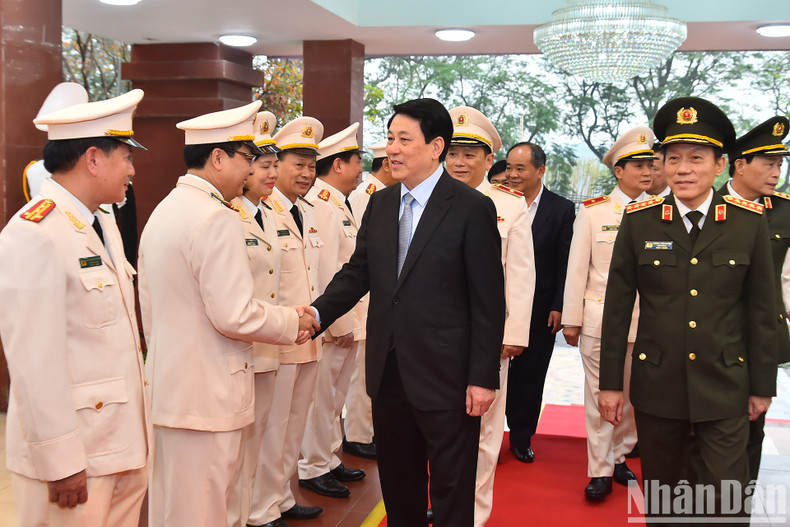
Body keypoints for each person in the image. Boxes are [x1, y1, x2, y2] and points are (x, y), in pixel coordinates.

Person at [311, 98, 505, 526]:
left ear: (436, 146)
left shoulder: (472, 208)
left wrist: (482, 377)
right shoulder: (380, 205)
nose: (392, 149)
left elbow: (489, 300)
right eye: (390, 138)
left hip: (449, 377)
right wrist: (315, 314)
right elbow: (357, 272)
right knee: (399, 485)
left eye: (404, 139)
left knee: (453, 488)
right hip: (389, 371)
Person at [138, 101, 317, 527]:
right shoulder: (215, 217)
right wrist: (293, 321)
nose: (252, 169)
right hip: (209, 393)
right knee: (206, 509)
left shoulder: (168, 208)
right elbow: (234, 315)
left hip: (174, 389)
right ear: (218, 158)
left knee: (177, 508)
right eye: (247, 159)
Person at [599, 97, 777, 524]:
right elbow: (618, 305)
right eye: (672, 158)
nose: (682, 169)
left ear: (720, 165)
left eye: (696, 158)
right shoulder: (640, 220)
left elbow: (761, 308)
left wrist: (762, 385)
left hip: (726, 385)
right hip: (658, 386)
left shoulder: (748, 221)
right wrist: (610, 384)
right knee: (665, 501)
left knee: (725, 500)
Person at [0, 87, 149, 527]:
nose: (133, 169)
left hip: (118, 444)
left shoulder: (102, 222)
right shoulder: (35, 233)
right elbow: (33, 362)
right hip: (75, 458)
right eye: (125, 156)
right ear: (93, 159)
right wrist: (61, 461)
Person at [445, 106, 535, 526]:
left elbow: (520, 276)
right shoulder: (428, 197)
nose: (460, 162)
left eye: (470, 154)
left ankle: (474, 514)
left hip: (486, 338)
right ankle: (445, 502)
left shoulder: (509, 206)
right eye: (454, 153)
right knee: (440, 431)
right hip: (436, 338)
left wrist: (513, 332)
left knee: (484, 432)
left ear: (487, 160)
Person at [562, 126, 654, 501]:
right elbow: (576, 268)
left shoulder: (658, 212)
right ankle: (598, 470)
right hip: (601, 322)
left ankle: (619, 456)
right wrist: (572, 319)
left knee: (632, 398)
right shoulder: (594, 212)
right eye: (639, 165)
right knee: (601, 396)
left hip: (648, 324)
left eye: (652, 164)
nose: (648, 171)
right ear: (619, 171)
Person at [248, 116, 326, 527]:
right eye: (296, 162)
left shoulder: (306, 211)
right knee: (271, 428)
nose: (303, 172)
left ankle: (281, 495)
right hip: (275, 339)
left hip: (306, 337)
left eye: (311, 165)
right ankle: (259, 508)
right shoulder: (262, 209)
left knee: (294, 425)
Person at [718, 115, 790, 480]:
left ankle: (737, 508)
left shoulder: (785, 211)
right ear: (740, 164)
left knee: (750, 433)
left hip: (760, 340)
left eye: (780, 164)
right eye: (768, 163)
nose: (776, 171)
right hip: (711, 338)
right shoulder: (706, 206)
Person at [299, 122, 366, 498]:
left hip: (349, 322)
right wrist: (336, 323)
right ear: (338, 165)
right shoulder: (322, 205)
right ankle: (312, 465)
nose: (361, 168)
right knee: (321, 398)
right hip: (334, 325)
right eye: (356, 161)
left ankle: (328, 457)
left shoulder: (337, 203)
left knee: (335, 399)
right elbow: (326, 271)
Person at [227, 111, 285, 527]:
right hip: (241, 346)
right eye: (262, 165)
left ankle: (255, 509)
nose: (270, 173)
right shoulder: (228, 215)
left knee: (263, 435)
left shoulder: (269, 212)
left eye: (272, 165)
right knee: (239, 447)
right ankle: (242, 514)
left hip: (268, 345)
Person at [504, 142, 575, 463]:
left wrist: (560, 305)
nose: (513, 174)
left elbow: (565, 262)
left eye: (521, 168)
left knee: (530, 377)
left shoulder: (560, 209)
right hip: (499, 306)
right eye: (509, 167)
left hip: (540, 309)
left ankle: (521, 437)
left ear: (540, 171)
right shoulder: (497, 202)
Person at [342, 138, 395, 460]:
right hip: (362, 299)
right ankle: (359, 434)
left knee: (367, 371)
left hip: (373, 300)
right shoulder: (369, 197)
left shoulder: (375, 195)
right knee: (360, 374)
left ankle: (365, 431)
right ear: (387, 164)